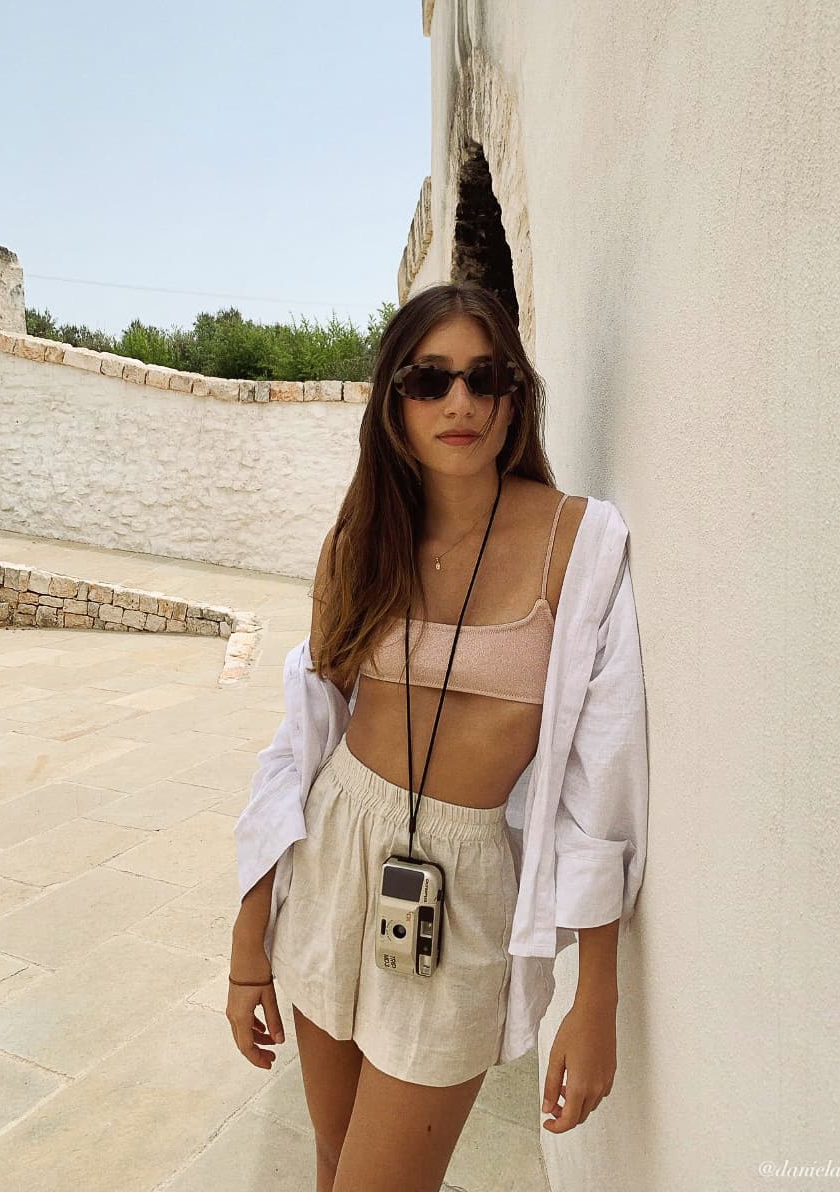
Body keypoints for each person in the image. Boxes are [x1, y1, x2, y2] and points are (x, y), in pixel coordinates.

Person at [227, 281, 649, 1192]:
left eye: (484, 378)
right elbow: (298, 747)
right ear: (394, 404)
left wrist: (596, 996)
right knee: (334, 1164)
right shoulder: (363, 542)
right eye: (430, 381)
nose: (459, 402)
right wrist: (245, 943)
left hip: (464, 893)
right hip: (337, 851)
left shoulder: (578, 545)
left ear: (514, 396)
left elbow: (600, 788)